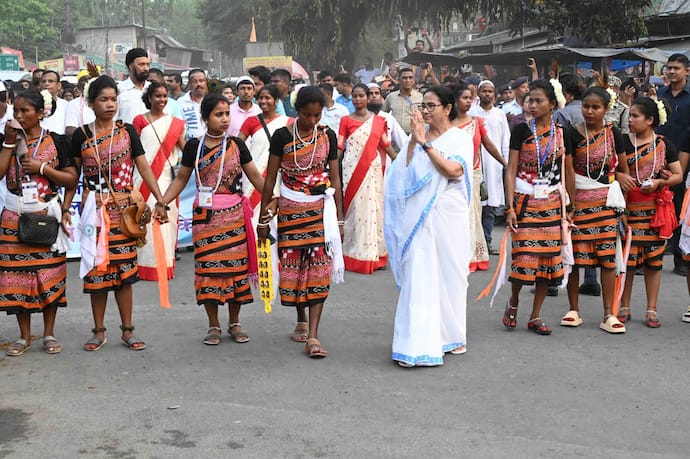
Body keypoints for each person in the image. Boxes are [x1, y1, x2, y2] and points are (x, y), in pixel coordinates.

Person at [64, 75, 168, 352]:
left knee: (124, 274)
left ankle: (128, 330)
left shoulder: (127, 131)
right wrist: (65, 208)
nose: (110, 104)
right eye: (103, 100)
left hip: (124, 212)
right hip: (94, 212)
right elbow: (74, 176)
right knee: (97, 272)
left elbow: (143, 167)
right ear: (90, 103)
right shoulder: (81, 136)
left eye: (113, 99)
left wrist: (160, 199)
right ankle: (98, 331)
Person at [157, 93, 269, 345]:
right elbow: (181, 178)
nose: (225, 119)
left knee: (236, 271)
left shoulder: (237, 146)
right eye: (219, 114)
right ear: (206, 117)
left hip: (233, 218)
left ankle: (235, 322)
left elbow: (254, 176)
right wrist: (162, 202)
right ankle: (214, 325)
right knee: (208, 271)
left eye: (227, 114)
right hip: (205, 220)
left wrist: (273, 197)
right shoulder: (193, 147)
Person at [385, 85, 472, 367]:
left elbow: (452, 170)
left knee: (451, 277)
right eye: (423, 106)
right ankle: (415, 342)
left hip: (448, 217)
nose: (425, 111)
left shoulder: (459, 138)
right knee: (419, 277)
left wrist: (424, 143)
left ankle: (451, 335)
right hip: (419, 219)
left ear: (447, 109)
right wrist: (414, 140)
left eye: (431, 106)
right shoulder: (418, 135)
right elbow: (403, 172)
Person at [257, 86, 344, 358]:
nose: (313, 121)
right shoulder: (282, 136)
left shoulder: (327, 135)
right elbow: (270, 179)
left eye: (317, 115)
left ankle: (314, 335)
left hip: (320, 210)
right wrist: (263, 217)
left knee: (318, 268)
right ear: (298, 111)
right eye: (307, 115)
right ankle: (301, 318)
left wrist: (340, 218)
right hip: (291, 208)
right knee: (295, 267)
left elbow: (335, 178)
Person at [0, 91, 78, 356]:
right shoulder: (6, 140)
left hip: (45, 216)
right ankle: (24, 337)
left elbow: (70, 179)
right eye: (16, 111)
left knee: (49, 275)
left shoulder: (56, 141)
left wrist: (43, 168)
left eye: (25, 111)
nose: (18, 116)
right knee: (17, 279)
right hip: (13, 217)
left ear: (40, 113)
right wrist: (9, 144)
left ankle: (49, 333)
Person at [503, 80, 572, 336]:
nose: (532, 104)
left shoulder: (563, 133)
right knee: (523, 261)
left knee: (546, 263)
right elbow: (511, 169)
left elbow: (568, 170)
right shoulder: (520, 130)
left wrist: (570, 206)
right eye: (529, 100)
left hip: (552, 205)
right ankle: (514, 301)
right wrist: (509, 207)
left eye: (538, 100)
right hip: (525, 203)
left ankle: (535, 315)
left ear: (552, 104)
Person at [561, 87, 631, 333]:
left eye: (595, 107)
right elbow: (568, 171)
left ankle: (609, 314)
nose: (589, 111)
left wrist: (622, 181)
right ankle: (573, 309)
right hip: (579, 201)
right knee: (575, 258)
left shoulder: (614, 134)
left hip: (606, 203)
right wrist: (570, 204)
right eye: (586, 107)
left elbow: (623, 170)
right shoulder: (571, 134)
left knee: (607, 259)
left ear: (606, 109)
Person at [619, 97, 682, 328]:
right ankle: (623, 306)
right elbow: (612, 170)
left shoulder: (664, 144)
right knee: (627, 262)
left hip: (654, 212)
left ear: (650, 120)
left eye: (635, 116)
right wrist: (620, 176)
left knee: (654, 263)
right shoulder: (624, 142)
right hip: (628, 209)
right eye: (630, 115)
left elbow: (678, 174)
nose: (630, 120)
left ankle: (651, 309)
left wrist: (658, 184)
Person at [338, 84, 397, 274]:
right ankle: (353, 254)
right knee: (354, 210)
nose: (357, 99)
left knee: (374, 210)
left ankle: (374, 254)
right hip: (351, 168)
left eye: (361, 96)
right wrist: (328, 167)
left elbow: (387, 146)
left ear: (367, 98)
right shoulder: (345, 120)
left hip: (371, 170)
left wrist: (402, 163)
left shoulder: (379, 122)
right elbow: (340, 147)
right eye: (354, 96)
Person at [131, 82, 186, 281]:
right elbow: (133, 152)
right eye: (157, 96)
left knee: (165, 220)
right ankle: (144, 265)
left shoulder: (175, 123)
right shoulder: (139, 121)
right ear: (149, 98)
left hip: (165, 178)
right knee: (144, 217)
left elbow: (185, 150)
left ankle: (164, 264)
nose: (161, 100)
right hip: (142, 177)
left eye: (164, 96)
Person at [453, 83, 506, 271]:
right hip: (452, 176)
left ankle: (471, 255)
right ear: (455, 100)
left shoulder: (476, 122)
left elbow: (490, 145)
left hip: (473, 175)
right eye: (464, 98)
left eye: (470, 98)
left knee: (472, 214)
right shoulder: (446, 123)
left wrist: (506, 163)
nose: (468, 101)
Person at [657, 53, 690, 277]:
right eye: (669, 68)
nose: (671, 71)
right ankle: (652, 255)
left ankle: (681, 258)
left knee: (681, 209)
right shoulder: (659, 95)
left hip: (685, 159)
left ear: (686, 71)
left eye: (676, 68)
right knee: (658, 205)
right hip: (660, 159)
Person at [469, 80, 510, 255]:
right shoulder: (471, 113)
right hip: (476, 164)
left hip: (494, 166)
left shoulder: (499, 114)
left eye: (490, 91)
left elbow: (505, 141)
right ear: (478, 94)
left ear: (494, 94)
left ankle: (486, 241)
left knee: (490, 207)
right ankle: (474, 243)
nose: (487, 94)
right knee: (476, 206)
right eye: (484, 91)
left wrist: (507, 163)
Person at [238, 83, 291, 216]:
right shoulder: (251, 122)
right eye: (260, 98)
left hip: (279, 175)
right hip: (254, 174)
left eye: (267, 98)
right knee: (253, 213)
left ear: (276, 101)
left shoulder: (289, 122)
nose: (263, 101)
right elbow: (237, 145)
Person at [382, 67, 423, 134]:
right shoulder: (391, 97)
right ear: (399, 80)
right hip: (395, 136)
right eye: (404, 78)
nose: (408, 80)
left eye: (410, 78)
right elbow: (383, 115)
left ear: (414, 80)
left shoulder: (421, 97)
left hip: (414, 135)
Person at [367, 82, 406, 152]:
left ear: (381, 97)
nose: (374, 96)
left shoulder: (388, 118)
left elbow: (403, 141)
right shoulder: (359, 117)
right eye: (371, 93)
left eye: (377, 93)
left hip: (386, 161)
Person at [118, 48, 150, 124]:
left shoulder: (153, 89)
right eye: (141, 64)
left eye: (147, 64)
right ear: (131, 66)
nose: (146, 68)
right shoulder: (119, 89)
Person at [178, 68, 208, 140]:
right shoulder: (180, 103)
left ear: (206, 82)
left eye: (201, 81)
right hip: (188, 147)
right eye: (195, 81)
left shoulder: (212, 101)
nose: (199, 84)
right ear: (189, 84)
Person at [39, 70, 68, 135]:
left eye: (50, 81)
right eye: (43, 81)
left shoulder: (66, 105)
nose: (46, 84)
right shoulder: (33, 103)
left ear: (59, 85)